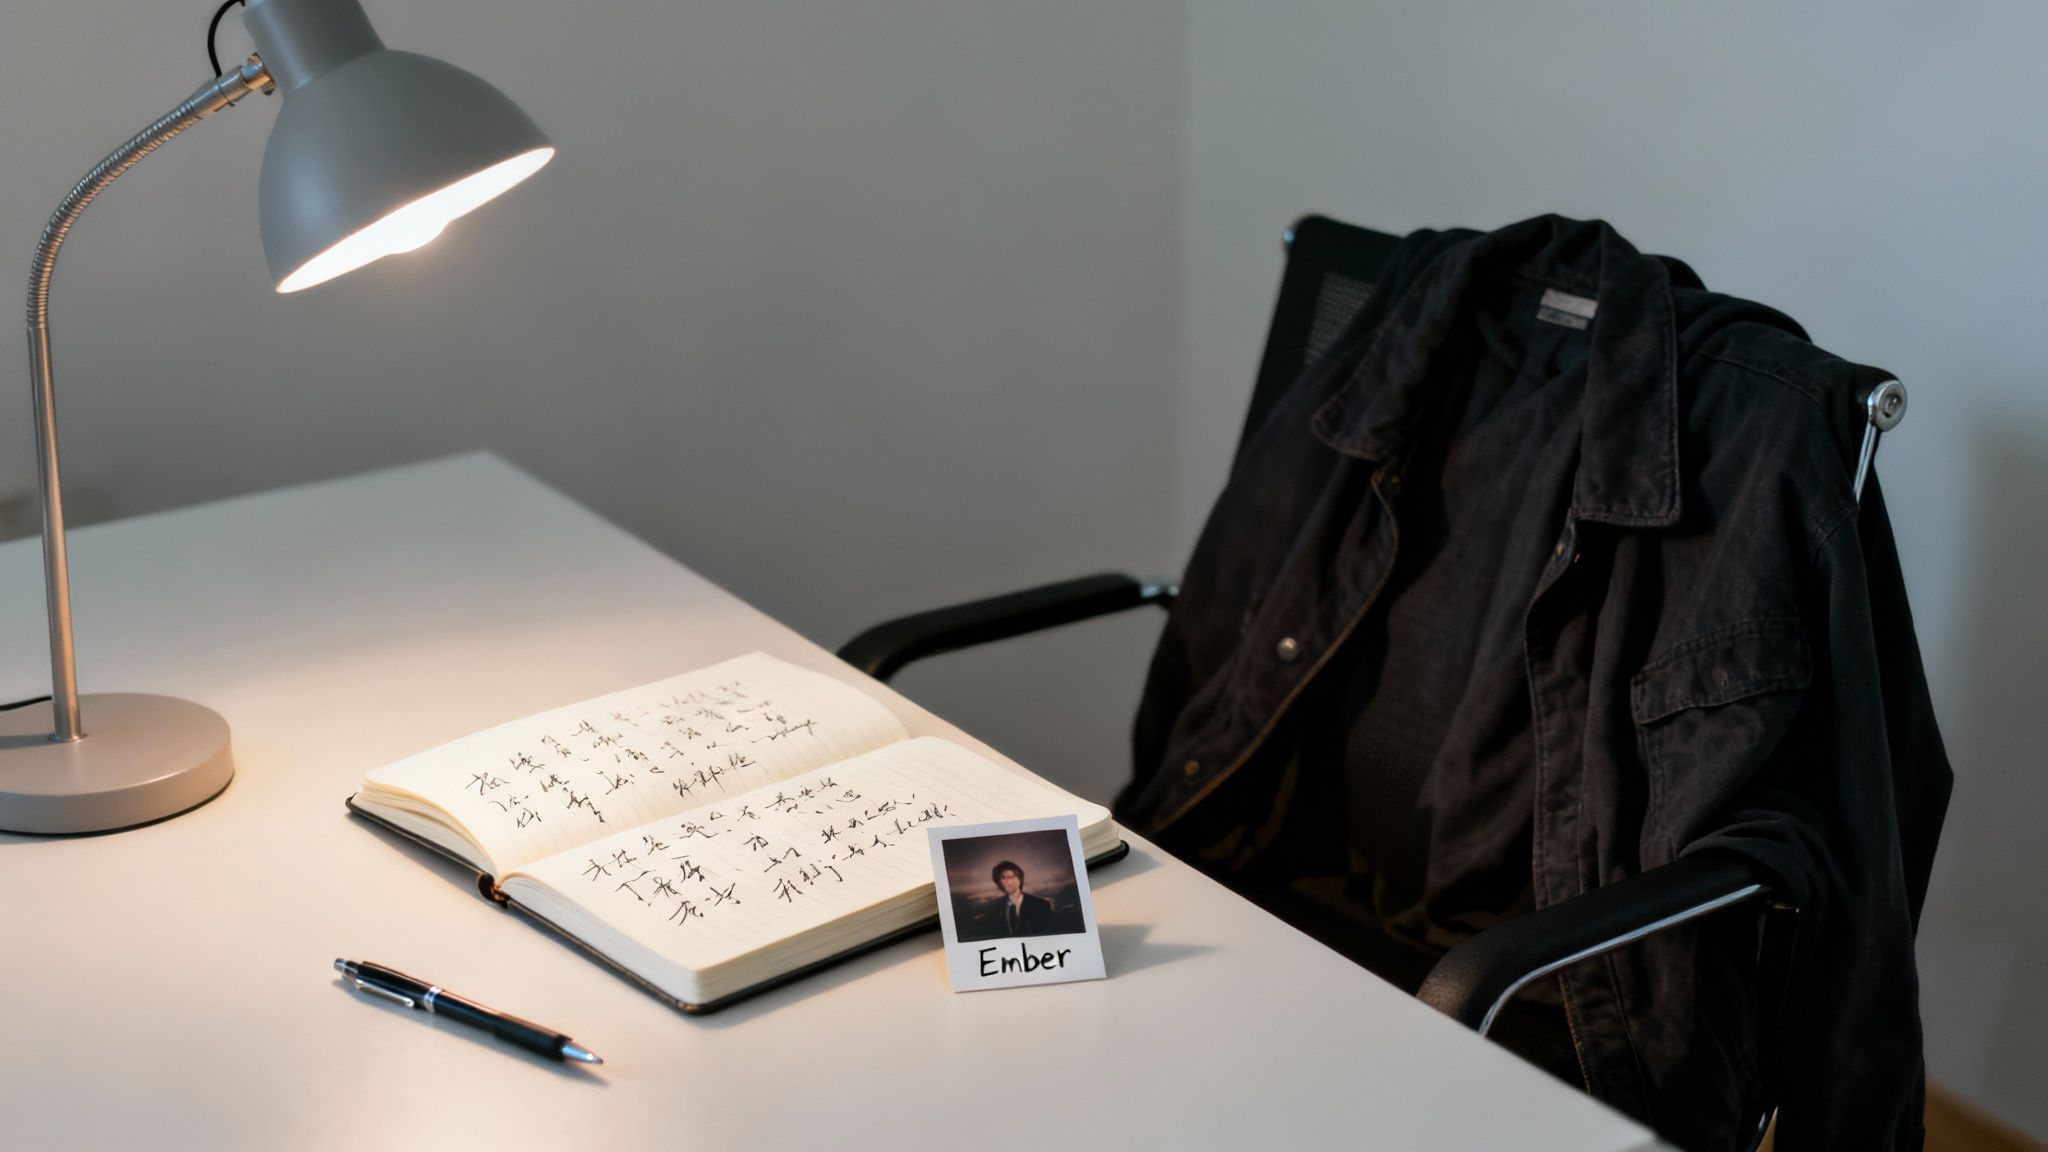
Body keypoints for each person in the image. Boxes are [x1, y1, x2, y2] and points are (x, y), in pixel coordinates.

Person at [987, 860, 1054, 937]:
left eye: (1010, 877)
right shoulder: (995, 907)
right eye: (1003, 878)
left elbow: (1049, 935)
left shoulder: (1040, 904)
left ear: (1020, 879)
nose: (1007, 881)